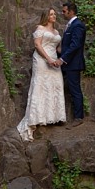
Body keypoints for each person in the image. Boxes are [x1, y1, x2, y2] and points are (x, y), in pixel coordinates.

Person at [16, 9, 66, 141]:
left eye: (54, 14)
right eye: (51, 14)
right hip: (42, 60)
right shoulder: (40, 28)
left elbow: (58, 49)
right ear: (46, 16)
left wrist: (67, 52)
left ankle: (52, 117)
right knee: (40, 86)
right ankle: (35, 117)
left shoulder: (56, 32)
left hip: (54, 61)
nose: (54, 16)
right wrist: (48, 59)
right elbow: (37, 45)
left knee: (55, 85)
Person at [58, 1, 86, 127]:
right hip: (68, 63)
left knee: (75, 90)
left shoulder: (77, 25)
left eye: (64, 11)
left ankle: (79, 117)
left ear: (71, 12)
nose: (62, 13)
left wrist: (62, 58)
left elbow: (75, 45)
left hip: (73, 64)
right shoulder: (70, 25)